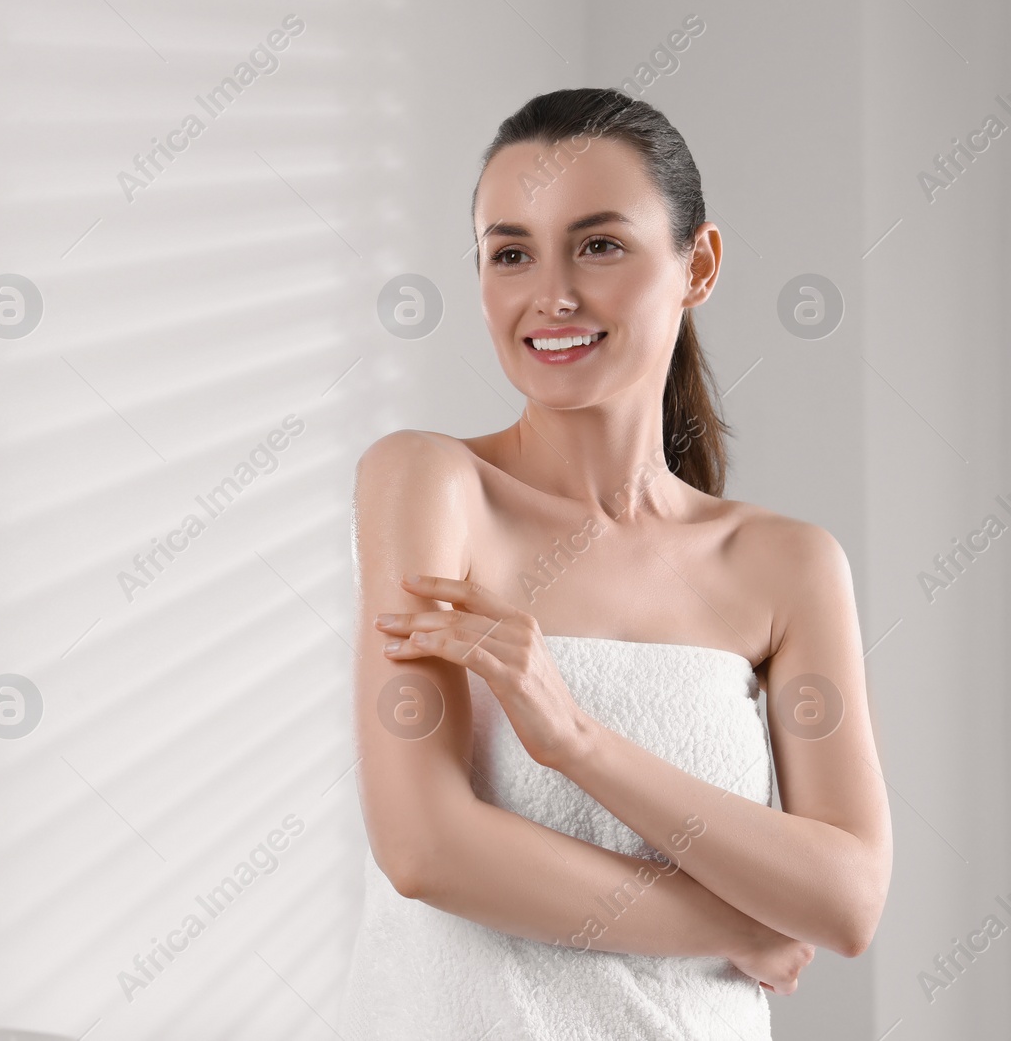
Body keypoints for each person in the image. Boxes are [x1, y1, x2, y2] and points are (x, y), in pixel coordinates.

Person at [337, 87, 892, 1040]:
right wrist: (735, 926)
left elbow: (845, 898)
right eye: (510, 253)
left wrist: (576, 740)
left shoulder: (785, 564)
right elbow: (425, 847)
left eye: (599, 244)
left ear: (699, 265)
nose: (550, 294)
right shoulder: (428, 483)